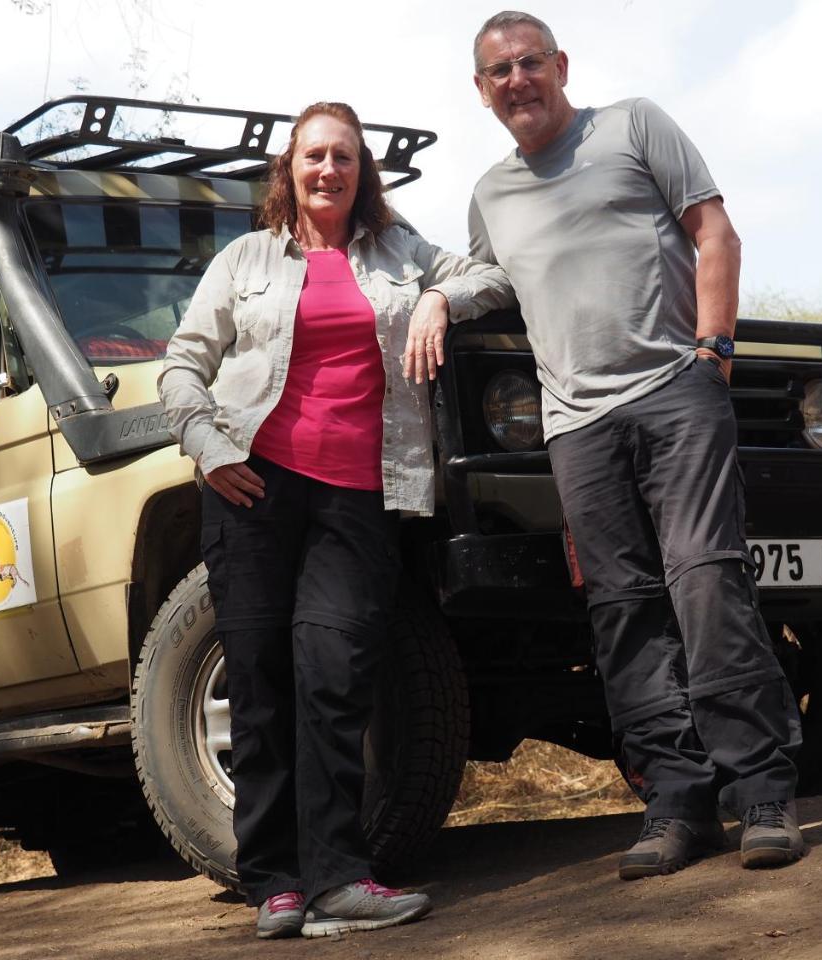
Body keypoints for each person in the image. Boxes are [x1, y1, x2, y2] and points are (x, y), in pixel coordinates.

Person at [464, 11, 806, 880]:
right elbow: (493, 281)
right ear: (482, 90)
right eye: (499, 71)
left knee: (706, 579)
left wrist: (715, 351)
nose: (517, 81)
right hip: (576, 425)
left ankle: (761, 791)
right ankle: (677, 802)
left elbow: (714, 230)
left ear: (559, 65)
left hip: (675, 393)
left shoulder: (633, 125)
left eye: (530, 62)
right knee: (622, 610)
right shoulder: (491, 194)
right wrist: (433, 302)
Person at [159, 101, 512, 938]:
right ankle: (275, 886)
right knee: (260, 681)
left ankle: (339, 877)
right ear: (291, 168)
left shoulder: (401, 252)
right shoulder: (246, 258)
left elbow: (493, 276)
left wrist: (438, 304)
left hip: (360, 497)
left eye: (344, 157)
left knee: (335, 676)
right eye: (315, 156)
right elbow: (181, 364)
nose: (329, 170)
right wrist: (210, 447)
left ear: (363, 172)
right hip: (254, 490)